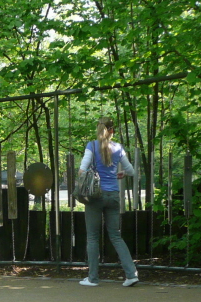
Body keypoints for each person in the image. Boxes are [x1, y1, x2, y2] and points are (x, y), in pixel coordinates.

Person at [78, 117, 139, 287]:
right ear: (112, 131)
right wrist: (121, 174)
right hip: (113, 196)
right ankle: (131, 274)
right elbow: (131, 171)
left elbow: (82, 169)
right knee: (116, 236)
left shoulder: (92, 146)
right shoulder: (119, 148)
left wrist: (87, 175)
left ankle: (93, 278)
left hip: (96, 196)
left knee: (92, 237)